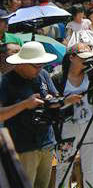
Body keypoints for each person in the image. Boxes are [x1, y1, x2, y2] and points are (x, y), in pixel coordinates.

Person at [0, 41, 71, 188]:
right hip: (23, 147)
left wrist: (53, 100)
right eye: (36, 66)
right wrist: (25, 104)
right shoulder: (6, 82)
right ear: (21, 64)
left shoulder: (43, 74)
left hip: (46, 143)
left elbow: (55, 96)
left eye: (42, 65)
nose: (40, 69)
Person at [54, 43, 93, 188]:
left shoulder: (92, 76)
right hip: (67, 128)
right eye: (83, 57)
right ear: (72, 57)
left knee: (91, 168)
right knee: (64, 168)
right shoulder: (59, 79)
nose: (86, 61)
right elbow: (51, 105)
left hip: (91, 126)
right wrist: (66, 101)